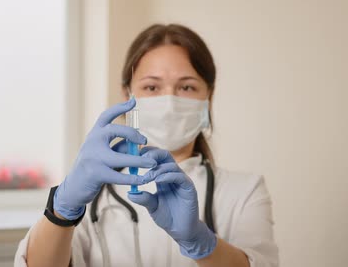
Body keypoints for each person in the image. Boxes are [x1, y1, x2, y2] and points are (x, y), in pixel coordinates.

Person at [15, 24, 278, 267]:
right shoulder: (90, 191)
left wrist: (201, 242)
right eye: (152, 87)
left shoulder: (244, 191)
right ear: (127, 95)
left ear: (209, 96)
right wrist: (61, 211)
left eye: (186, 87)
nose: (169, 102)